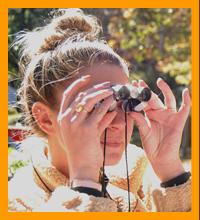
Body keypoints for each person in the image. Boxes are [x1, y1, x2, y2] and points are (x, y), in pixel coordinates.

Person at [8, 9, 191, 212]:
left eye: (126, 104)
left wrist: (171, 172)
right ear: (45, 119)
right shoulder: (16, 202)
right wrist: (84, 185)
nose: (120, 123)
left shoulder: (139, 177)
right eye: (96, 105)